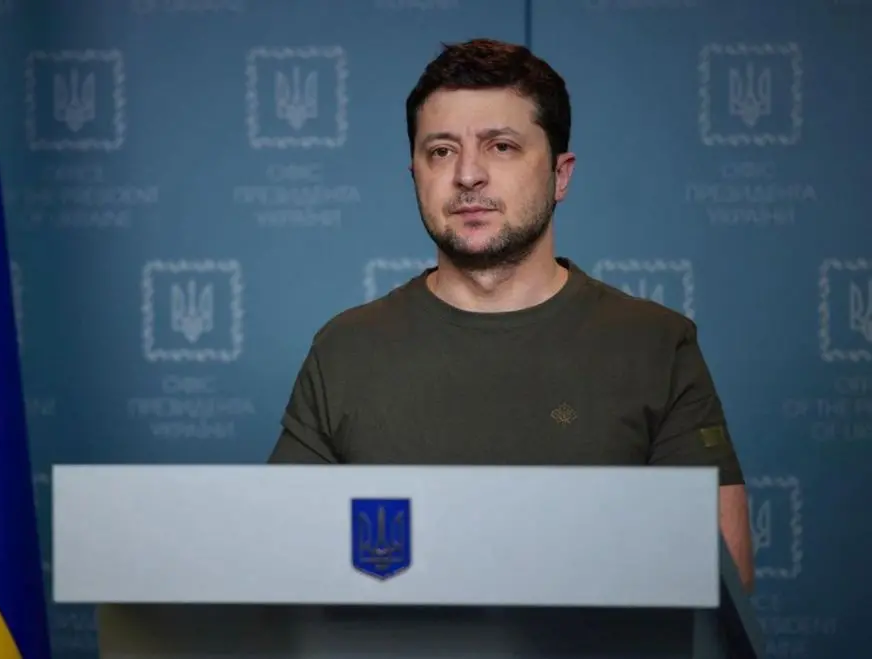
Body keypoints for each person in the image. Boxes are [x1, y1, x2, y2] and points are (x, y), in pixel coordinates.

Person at [267, 38, 753, 591]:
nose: (468, 175)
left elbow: (722, 586)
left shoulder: (656, 345)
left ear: (561, 175)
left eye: (501, 146)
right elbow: (282, 568)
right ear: (415, 175)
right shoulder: (345, 349)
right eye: (441, 151)